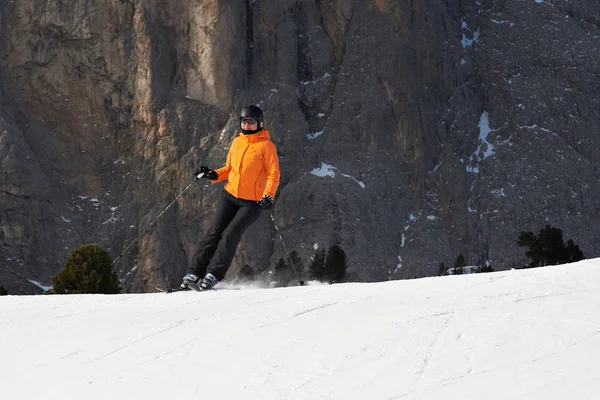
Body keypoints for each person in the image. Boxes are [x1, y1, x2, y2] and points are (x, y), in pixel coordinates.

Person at [181, 105, 280, 290]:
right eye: (244, 121)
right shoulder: (237, 142)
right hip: (230, 196)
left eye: (251, 122)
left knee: (230, 234)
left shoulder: (266, 146)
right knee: (214, 232)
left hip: (252, 203)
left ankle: (212, 275)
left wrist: (268, 195)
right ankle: (193, 272)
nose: (247, 125)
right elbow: (229, 169)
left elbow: (274, 174)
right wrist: (212, 175)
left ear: (260, 123)